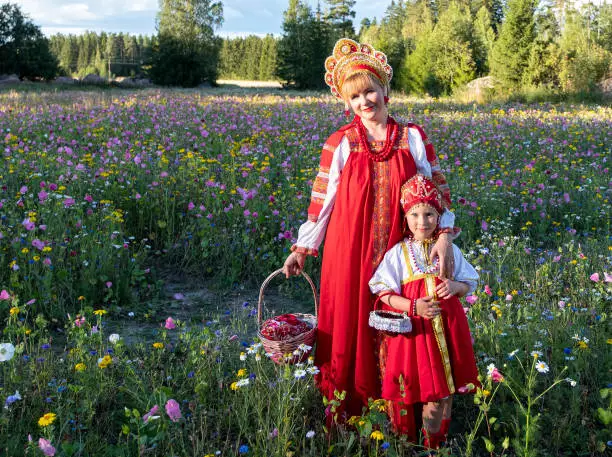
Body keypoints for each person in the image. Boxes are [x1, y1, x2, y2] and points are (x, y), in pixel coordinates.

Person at [282, 38, 458, 419]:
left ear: (385, 91)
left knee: (405, 322)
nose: (365, 102)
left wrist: (443, 235)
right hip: (350, 249)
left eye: (370, 91)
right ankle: (352, 413)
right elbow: (322, 202)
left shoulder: (412, 137)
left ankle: (402, 409)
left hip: (404, 250)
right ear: (347, 103)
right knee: (350, 323)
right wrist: (302, 247)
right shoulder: (341, 142)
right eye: (356, 96)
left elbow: (436, 191)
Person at [369, 174, 480, 448]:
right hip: (419, 334)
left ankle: (437, 445)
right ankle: (419, 442)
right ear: (405, 217)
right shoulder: (399, 253)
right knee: (427, 389)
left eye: (430, 214)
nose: (423, 221)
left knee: (446, 390)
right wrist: (412, 306)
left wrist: (454, 286)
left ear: (439, 216)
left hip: (449, 328)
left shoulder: (449, 250)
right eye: (415, 214)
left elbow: (470, 283)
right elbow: (382, 291)